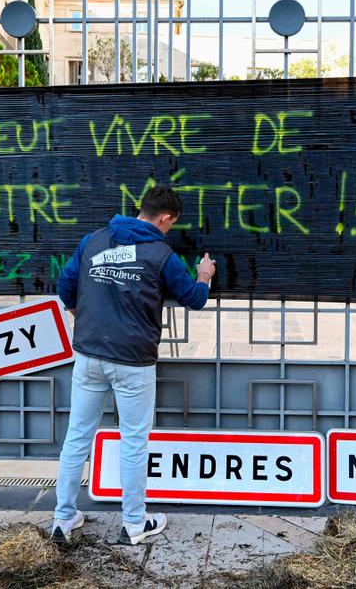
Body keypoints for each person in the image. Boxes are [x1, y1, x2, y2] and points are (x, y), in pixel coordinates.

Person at [51, 185, 216, 546]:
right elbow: (193, 298)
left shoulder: (94, 240)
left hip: (89, 356)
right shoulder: (162, 255)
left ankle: (63, 519)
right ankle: (133, 523)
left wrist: (87, 317)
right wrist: (204, 274)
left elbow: (65, 286)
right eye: (172, 223)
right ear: (166, 218)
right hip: (134, 363)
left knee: (77, 438)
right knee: (134, 443)